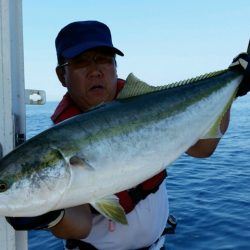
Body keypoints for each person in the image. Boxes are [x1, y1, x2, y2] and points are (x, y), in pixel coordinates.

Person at [6, 21, 250, 250]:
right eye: (80, 62)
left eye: (104, 59)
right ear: (62, 75)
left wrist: (232, 87)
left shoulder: (151, 106)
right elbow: (81, 225)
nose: (95, 71)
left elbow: (202, 149)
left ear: (115, 66)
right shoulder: (57, 140)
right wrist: (50, 214)